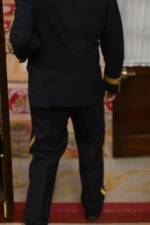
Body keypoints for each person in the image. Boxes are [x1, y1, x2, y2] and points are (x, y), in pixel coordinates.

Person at [10, 0, 124, 224]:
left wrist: (37, 47)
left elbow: (21, 40)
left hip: (47, 88)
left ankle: (36, 217)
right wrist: (112, 82)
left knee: (45, 153)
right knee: (91, 146)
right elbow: (114, 41)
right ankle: (93, 207)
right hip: (87, 87)